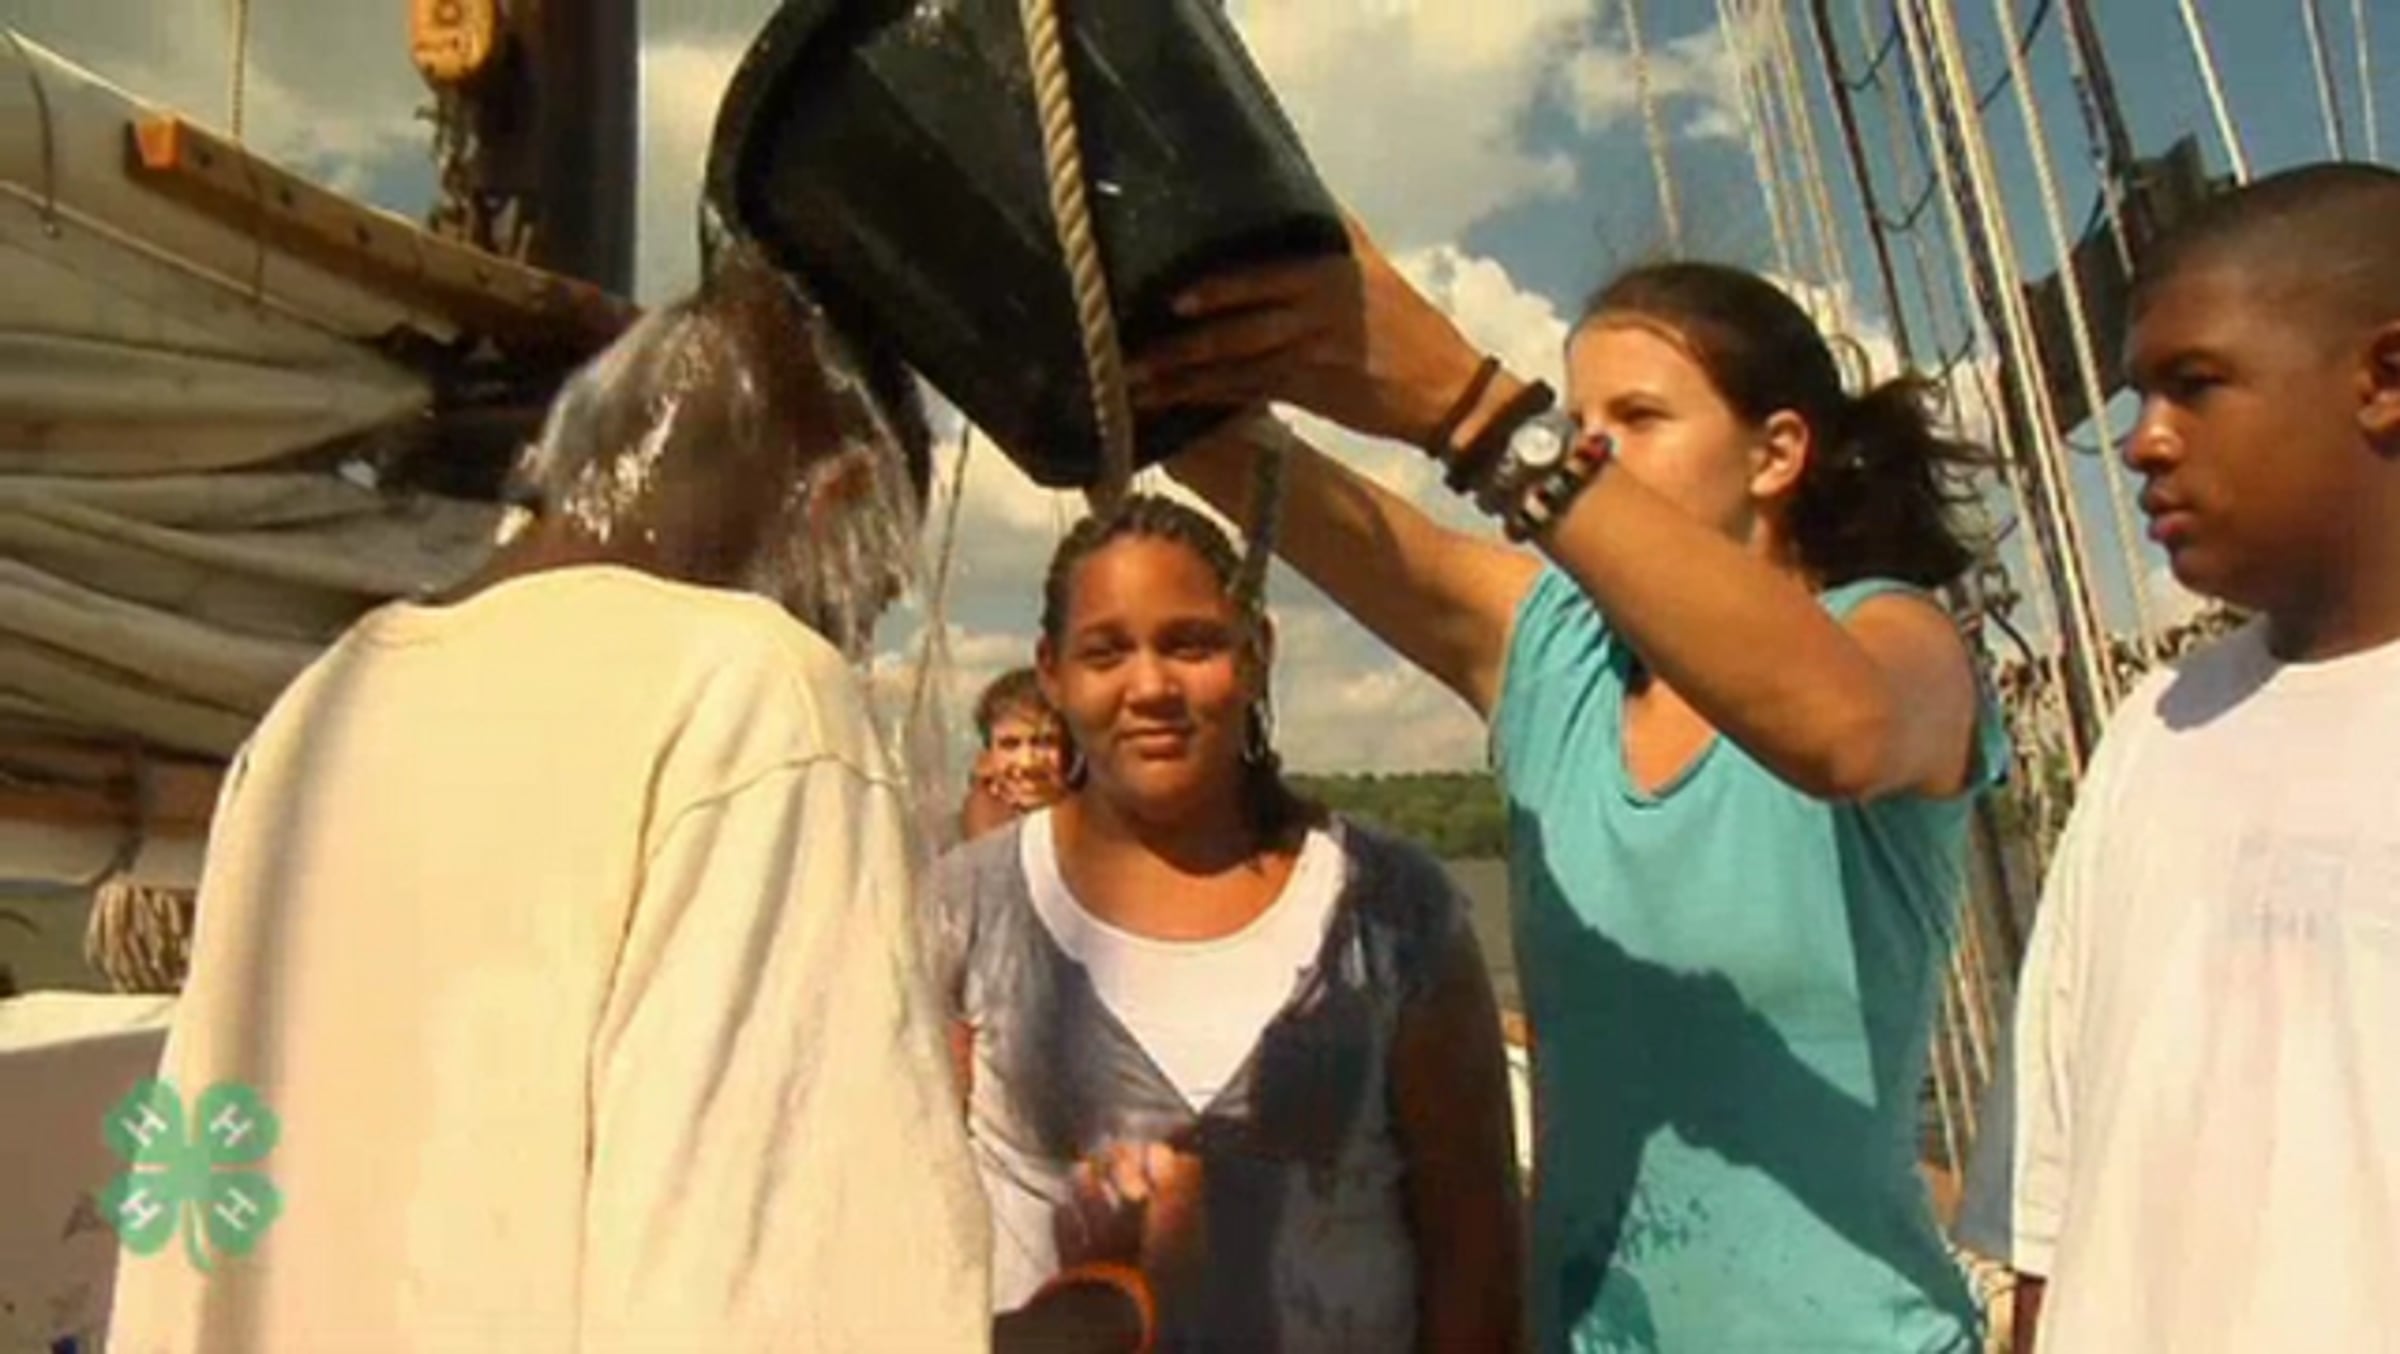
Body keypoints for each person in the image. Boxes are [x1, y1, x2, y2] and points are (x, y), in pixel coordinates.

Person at [106, 251, 1150, 1353]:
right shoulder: (751, 691)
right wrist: (1108, 1302)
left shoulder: (324, 702)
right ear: (841, 505)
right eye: (870, 598)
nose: (851, 637)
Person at [1130, 238, 2007, 1350]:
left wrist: (1474, 410)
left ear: (1778, 452)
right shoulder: (1550, 651)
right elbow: (1258, 477)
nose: (1594, 447)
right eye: (1580, 418)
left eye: (1637, 418)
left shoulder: (1898, 642)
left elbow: (1843, 732)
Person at [1955, 162, 2400, 1353]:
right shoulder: (2153, 726)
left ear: (2386, 378)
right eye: (2140, 393)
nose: (2143, 440)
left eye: (2195, 385)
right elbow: (2050, 1201)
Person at [925, 493, 1523, 1352]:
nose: (1151, 687)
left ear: (1256, 655)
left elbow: (1475, 1253)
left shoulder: (1395, 911)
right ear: (1051, 672)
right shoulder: (965, 905)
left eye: (1191, 644)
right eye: (1106, 652)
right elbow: (905, 1210)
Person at [962, 667, 1068, 841]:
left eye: (1045, 743)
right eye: (1010, 745)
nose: (1027, 762)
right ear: (989, 755)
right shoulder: (958, 840)